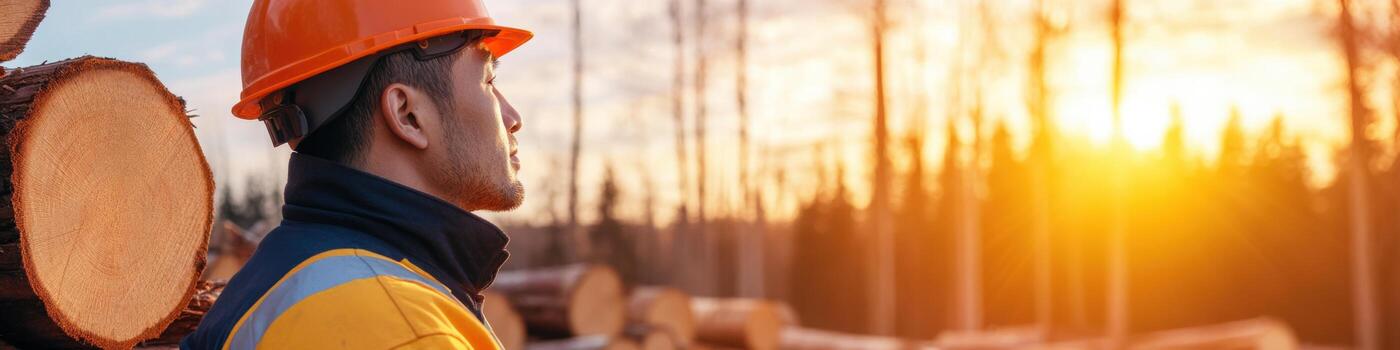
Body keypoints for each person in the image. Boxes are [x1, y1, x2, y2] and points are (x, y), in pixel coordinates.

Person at [182, 0, 531, 348]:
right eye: (489, 80)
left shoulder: (264, 289)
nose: (513, 117)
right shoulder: (406, 329)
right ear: (407, 115)